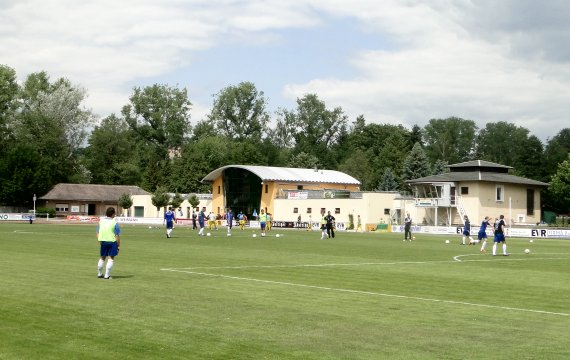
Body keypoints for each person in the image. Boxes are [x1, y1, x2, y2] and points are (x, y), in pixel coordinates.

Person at [96, 207, 121, 279]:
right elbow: (117, 235)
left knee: (102, 258)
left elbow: (97, 232)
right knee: (111, 258)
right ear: (113, 214)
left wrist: (99, 240)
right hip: (112, 242)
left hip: (103, 242)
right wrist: (118, 246)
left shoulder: (101, 221)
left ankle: (100, 274)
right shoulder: (114, 223)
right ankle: (107, 275)